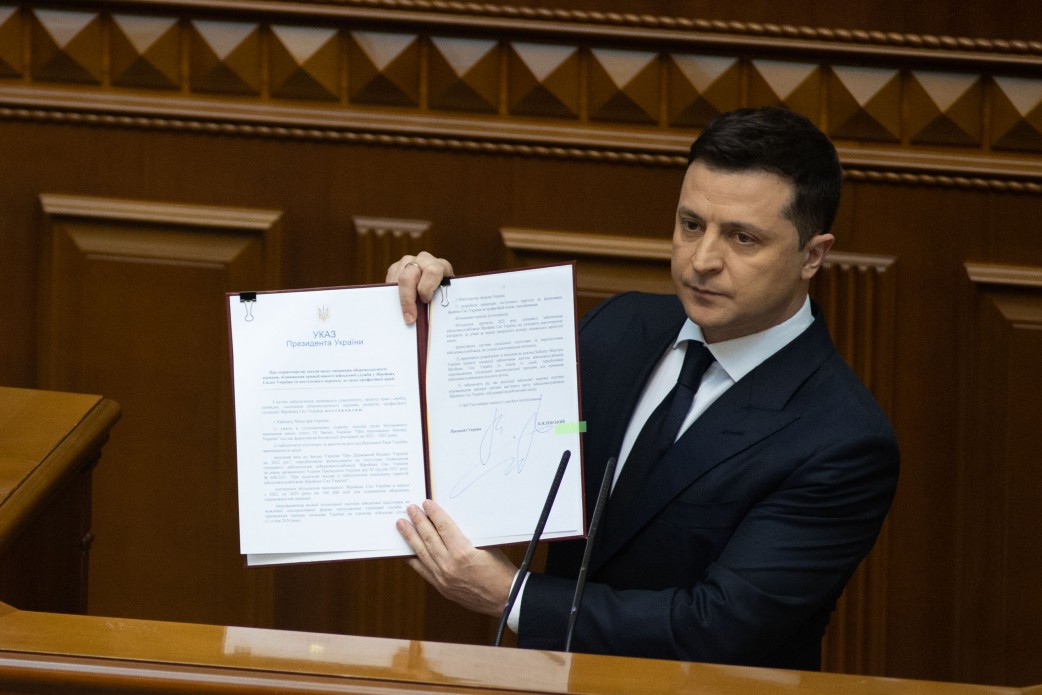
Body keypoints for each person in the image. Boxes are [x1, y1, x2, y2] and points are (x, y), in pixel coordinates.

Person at [387, 106, 899, 670]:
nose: (702, 260)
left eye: (743, 238)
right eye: (691, 225)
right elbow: (502, 442)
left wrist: (515, 597)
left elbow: (717, 629)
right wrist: (431, 324)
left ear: (812, 256)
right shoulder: (620, 326)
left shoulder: (843, 439)